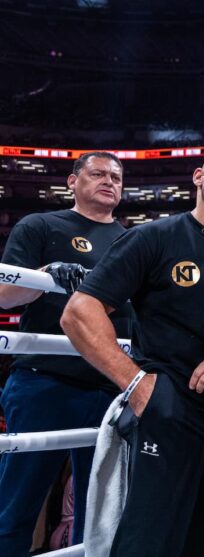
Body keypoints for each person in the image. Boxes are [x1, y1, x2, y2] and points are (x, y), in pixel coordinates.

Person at [61, 145, 204, 557]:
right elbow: (79, 313)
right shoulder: (153, 237)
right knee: (147, 541)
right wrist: (137, 384)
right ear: (199, 177)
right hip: (166, 408)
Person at [0, 152, 133, 556]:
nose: (108, 180)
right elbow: (6, 294)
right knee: (18, 502)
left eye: (116, 176)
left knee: (98, 514)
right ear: (73, 181)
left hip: (109, 388)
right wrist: (45, 277)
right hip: (44, 382)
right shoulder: (41, 225)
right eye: (97, 173)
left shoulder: (131, 241)